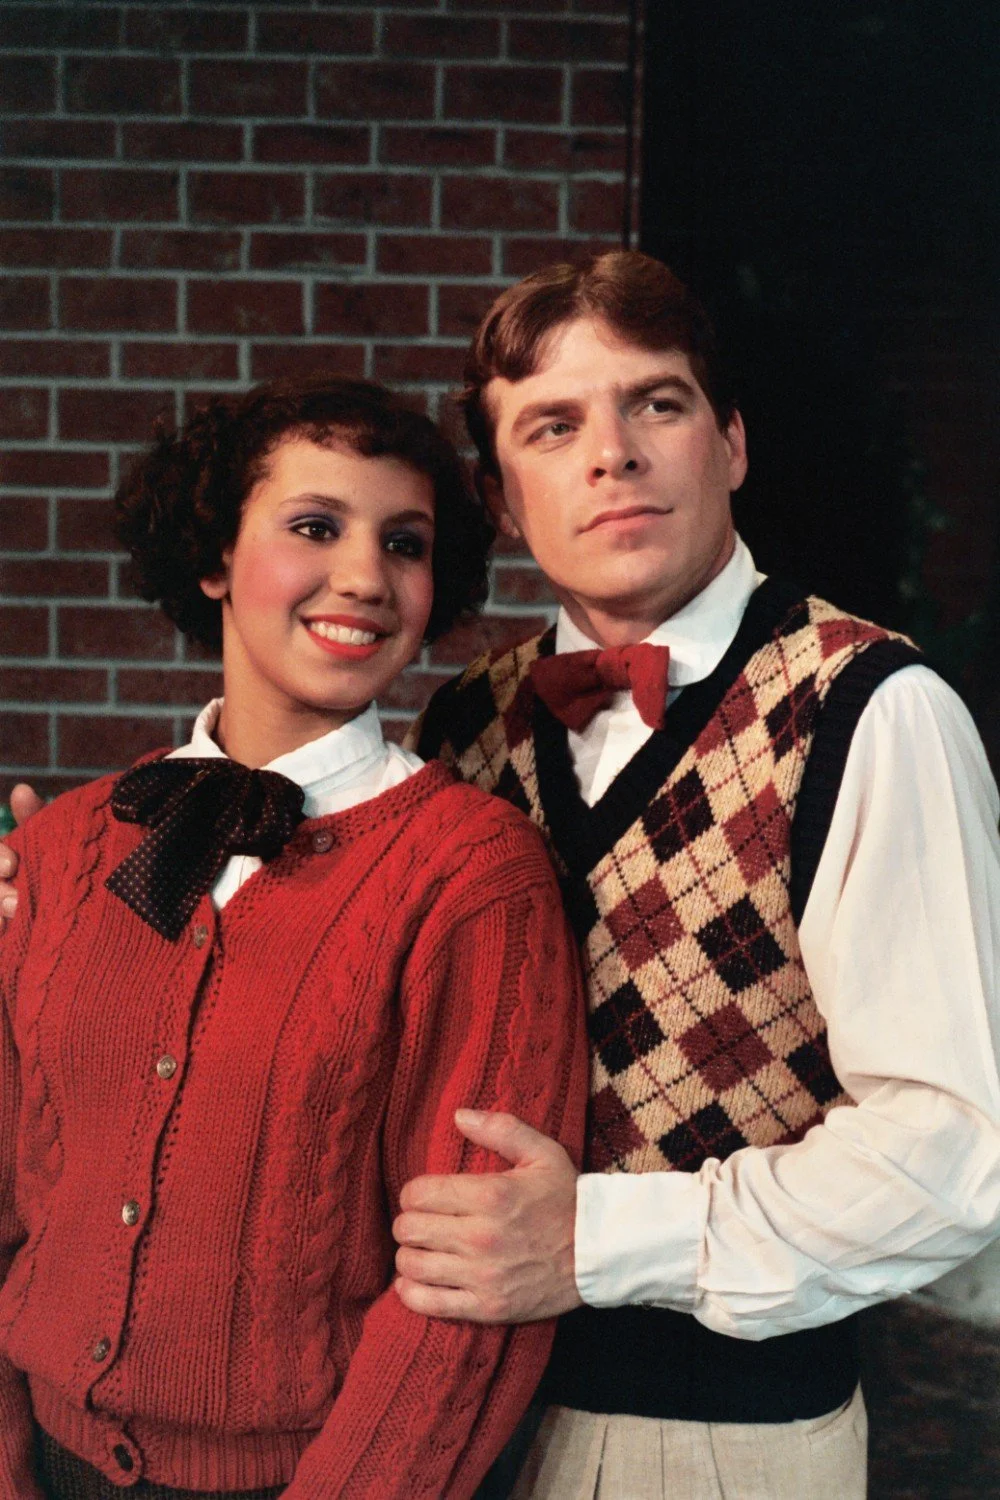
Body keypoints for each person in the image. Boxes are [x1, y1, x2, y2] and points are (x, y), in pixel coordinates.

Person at [382, 252, 1000, 1498]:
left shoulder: (869, 708)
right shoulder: (462, 724)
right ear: (504, 500)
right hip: (444, 1414)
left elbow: (954, 1152)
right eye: (553, 426)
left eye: (655, 403)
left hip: (715, 1439)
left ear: (729, 444)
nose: (611, 453)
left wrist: (592, 1241)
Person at [0, 378, 587, 1498]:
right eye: (315, 527)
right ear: (215, 557)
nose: (365, 578)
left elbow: (462, 1304)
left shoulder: (470, 873)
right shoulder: (68, 846)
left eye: (404, 544)